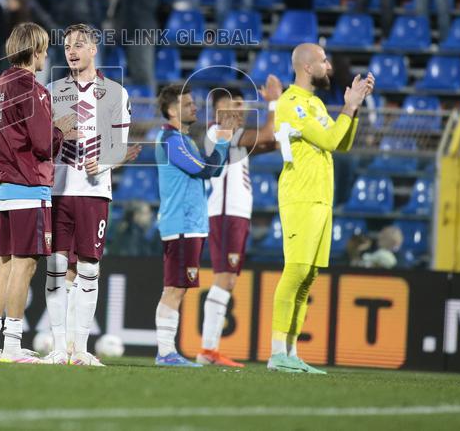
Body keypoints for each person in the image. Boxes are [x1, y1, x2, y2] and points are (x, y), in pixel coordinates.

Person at [268, 43, 374, 373]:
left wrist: (351, 110)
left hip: (320, 197)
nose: (328, 67)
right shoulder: (292, 103)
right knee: (296, 271)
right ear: (306, 67)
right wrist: (348, 107)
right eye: (324, 61)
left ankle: (291, 352)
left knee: (309, 275)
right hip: (300, 195)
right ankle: (276, 354)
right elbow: (329, 140)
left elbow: (341, 142)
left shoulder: (314, 103)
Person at [0, 22, 78, 363]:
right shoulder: (33, 89)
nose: (47, 55)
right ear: (34, 51)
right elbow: (41, 143)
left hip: (0, 186)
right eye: (45, 49)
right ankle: (12, 344)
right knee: (24, 265)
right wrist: (61, 132)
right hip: (26, 184)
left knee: (4, 264)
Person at [43, 24, 138, 366]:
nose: (72, 51)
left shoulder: (115, 93)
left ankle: (80, 349)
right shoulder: (52, 91)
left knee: (88, 267)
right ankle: (58, 346)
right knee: (55, 267)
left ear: (94, 49)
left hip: (94, 193)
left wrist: (106, 161)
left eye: (79, 45)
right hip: (57, 191)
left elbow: (120, 146)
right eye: (68, 45)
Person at [199, 78, 281, 366]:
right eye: (234, 104)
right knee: (225, 277)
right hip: (225, 213)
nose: (241, 109)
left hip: (235, 213)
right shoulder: (220, 130)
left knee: (228, 278)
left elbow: (273, 141)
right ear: (219, 108)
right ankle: (208, 350)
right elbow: (269, 133)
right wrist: (274, 102)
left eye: (242, 105)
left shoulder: (232, 136)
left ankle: (209, 350)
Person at [152, 84, 235, 367]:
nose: (194, 107)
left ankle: (167, 352)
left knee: (178, 288)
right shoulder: (170, 140)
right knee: (174, 288)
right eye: (187, 103)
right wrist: (223, 140)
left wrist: (222, 141)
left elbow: (215, 168)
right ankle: (165, 353)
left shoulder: (186, 141)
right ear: (172, 110)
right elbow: (206, 170)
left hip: (191, 225)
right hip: (182, 225)